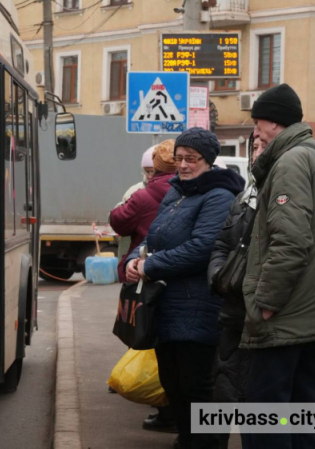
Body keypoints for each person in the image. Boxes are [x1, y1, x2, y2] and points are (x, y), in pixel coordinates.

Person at [126, 127, 245, 449]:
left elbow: (202, 248)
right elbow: (154, 235)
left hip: (199, 306)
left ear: (208, 161)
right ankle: (187, 440)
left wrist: (150, 265)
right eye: (179, 159)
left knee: (197, 386)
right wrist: (134, 259)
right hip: (167, 305)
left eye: (191, 159)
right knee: (173, 383)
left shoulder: (219, 196)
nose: (183, 165)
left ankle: (204, 444)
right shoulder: (176, 191)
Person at [241, 84, 315, 449]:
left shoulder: (291, 161)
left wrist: (265, 303)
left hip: (286, 312)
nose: (255, 130)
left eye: (257, 121)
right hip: (311, 311)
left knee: (267, 413)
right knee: (302, 408)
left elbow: (291, 241)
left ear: (272, 121)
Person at [109, 140, 177, 433]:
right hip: (182, 281)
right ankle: (173, 414)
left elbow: (118, 221)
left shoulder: (145, 194)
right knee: (177, 353)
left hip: (147, 278)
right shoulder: (199, 192)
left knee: (151, 339)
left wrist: (136, 263)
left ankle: (167, 411)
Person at [207, 134, 266, 449]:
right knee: (224, 384)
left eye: (264, 147)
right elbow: (221, 244)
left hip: (265, 314)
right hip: (232, 311)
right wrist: (218, 274)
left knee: (259, 399)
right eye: (254, 147)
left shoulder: (285, 195)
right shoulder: (245, 197)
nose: (257, 153)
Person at [110, 140, 175, 283]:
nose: (149, 175)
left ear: (157, 167)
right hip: (183, 273)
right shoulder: (197, 191)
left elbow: (118, 221)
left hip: (143, 270)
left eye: (152, 170)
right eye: (146, 171)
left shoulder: (141, 195)